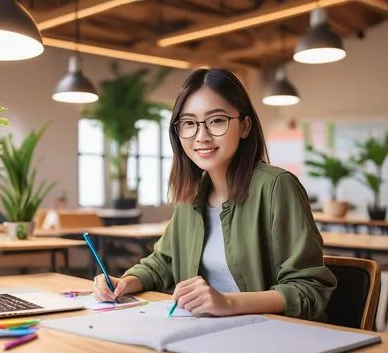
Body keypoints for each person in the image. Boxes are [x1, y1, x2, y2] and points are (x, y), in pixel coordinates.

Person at [92, 67, 337, 321]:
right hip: (206, 335)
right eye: (188, 123)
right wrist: (124, 282)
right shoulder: (191, 195)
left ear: (245, 126)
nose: (201, 136)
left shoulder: (277, 187)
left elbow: (310, 290)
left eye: (216, 120)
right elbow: (162, 263)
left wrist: (227, 302)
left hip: (271, 339)